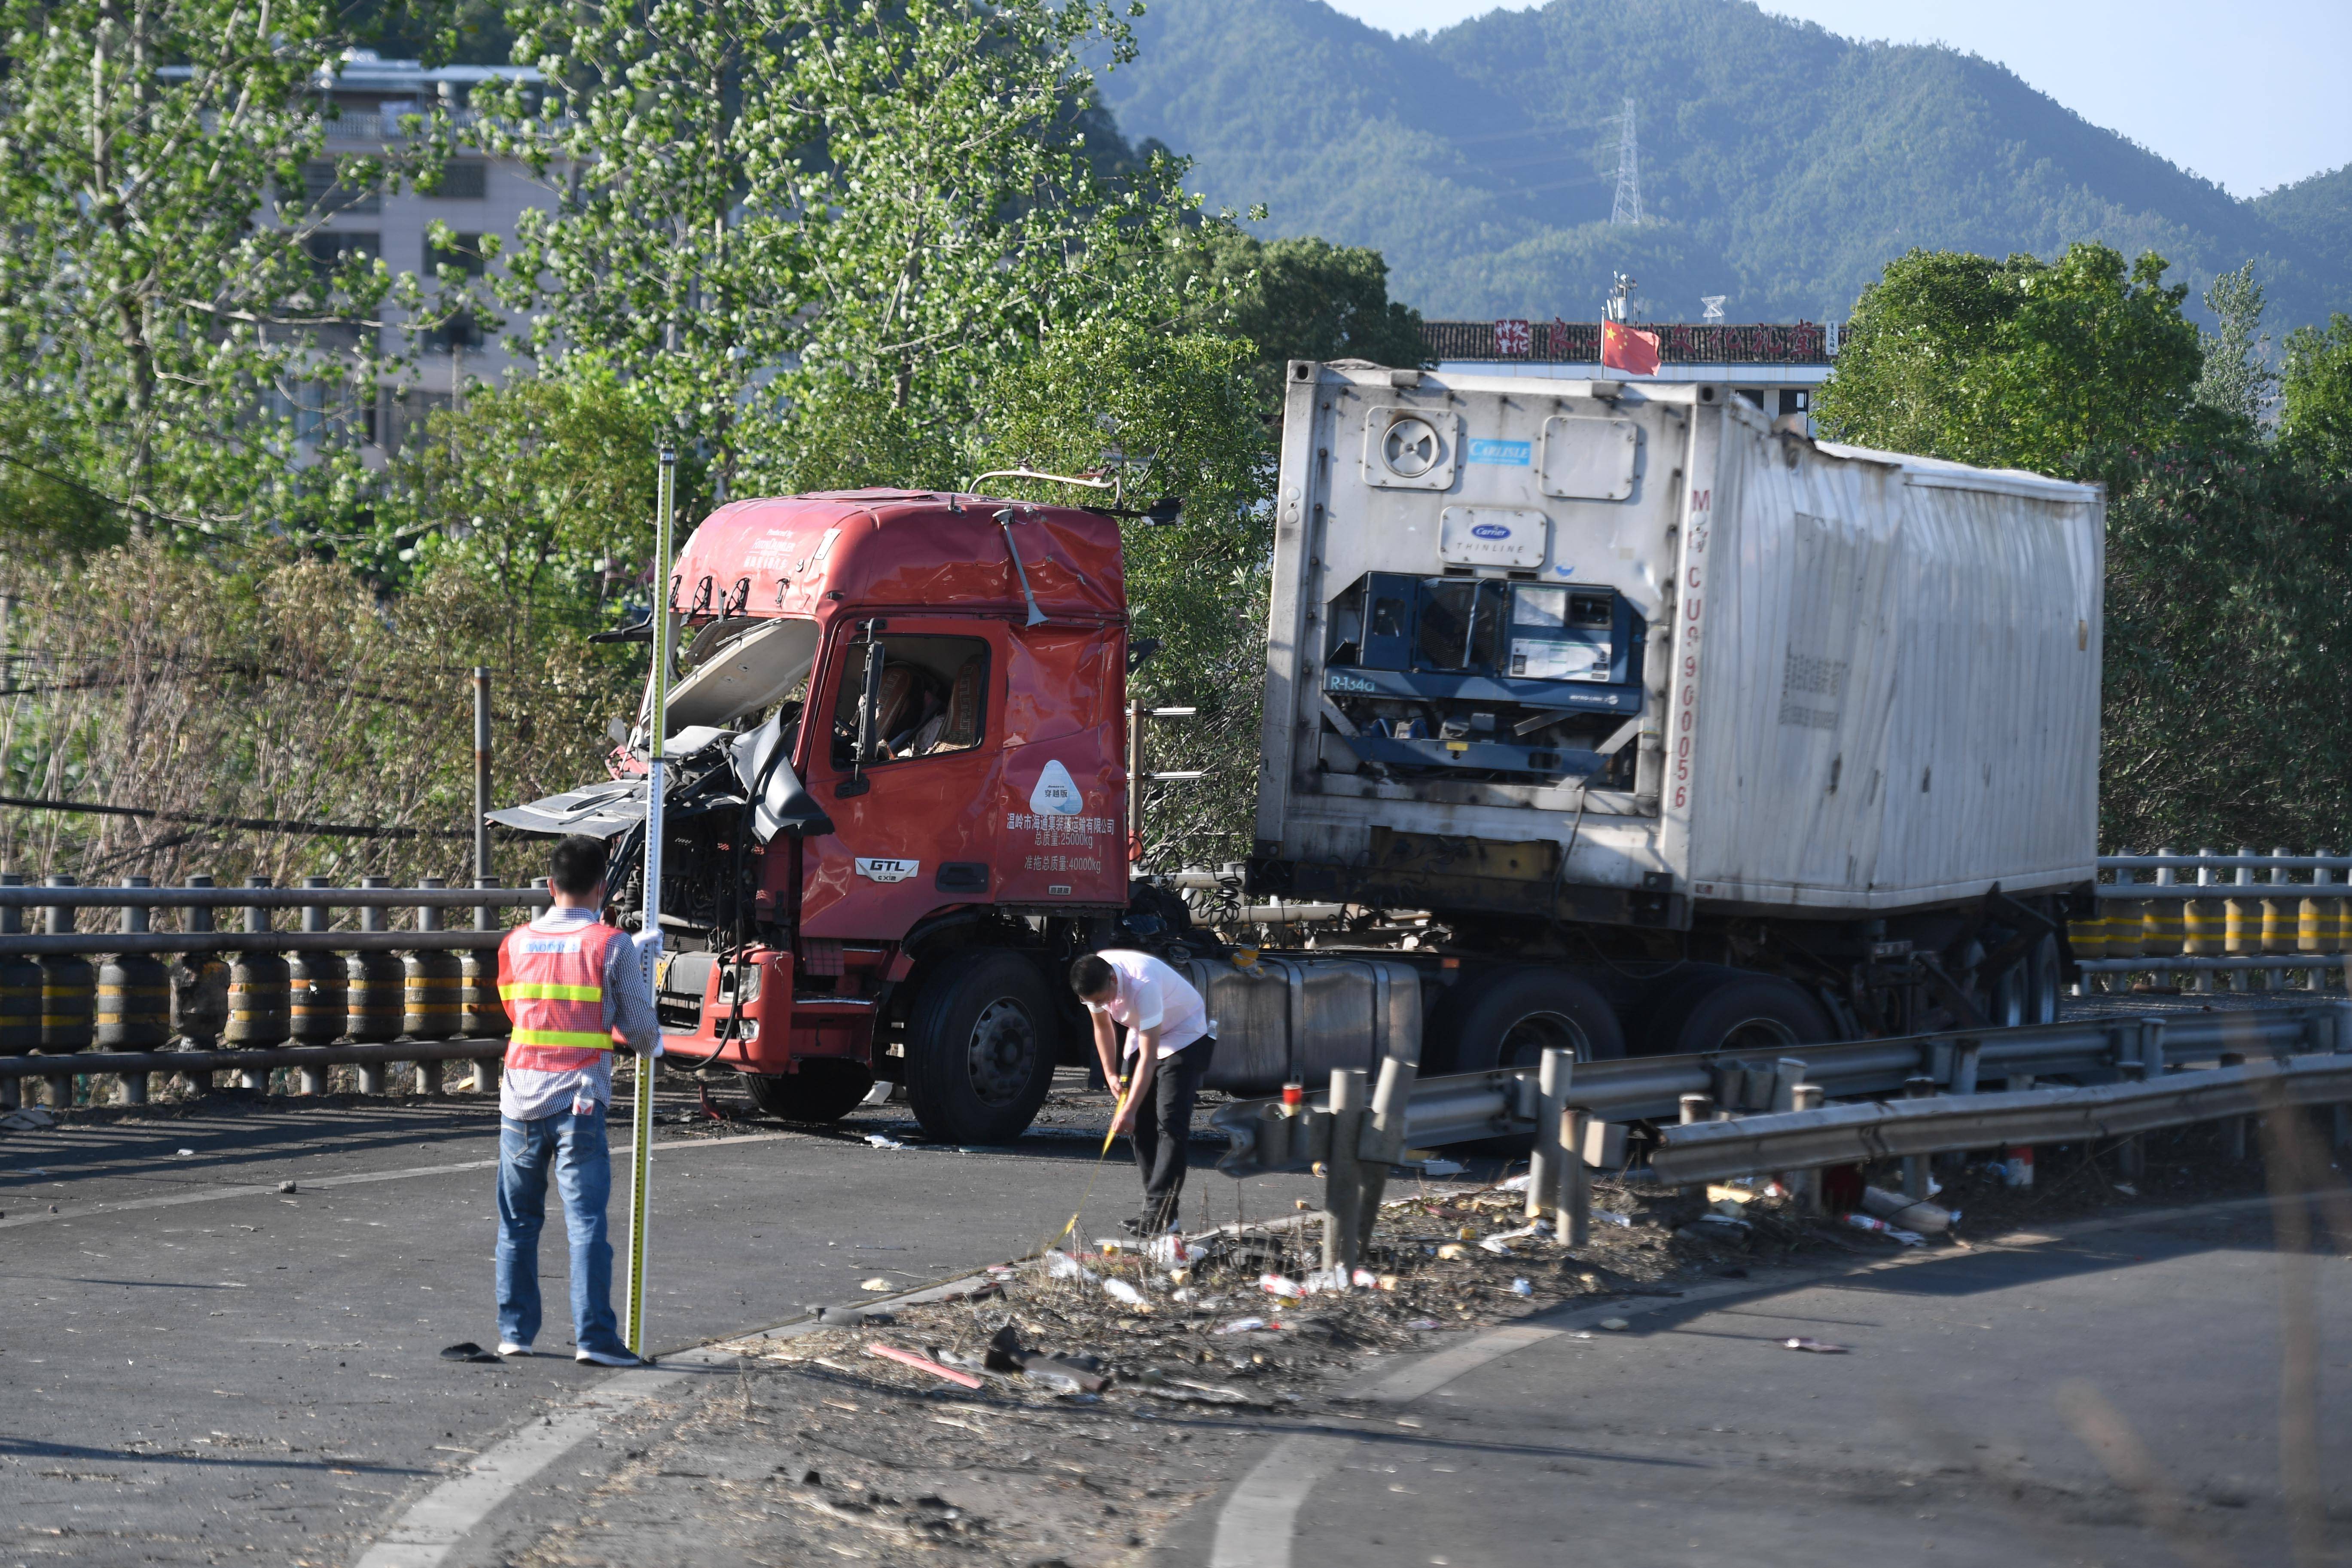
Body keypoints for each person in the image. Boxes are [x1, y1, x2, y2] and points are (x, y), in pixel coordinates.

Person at [492, 833, 660, 1366]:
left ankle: (515, 1332)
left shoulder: (515, 943)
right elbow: (643, 1035)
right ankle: (595, 1338)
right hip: (580, 1103)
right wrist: (640, 971)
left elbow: (517, 1011)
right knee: (586, 1223)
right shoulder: (611, 944)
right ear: (602, 888)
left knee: (518, 1224)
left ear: (550, 885)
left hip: (519, 1100)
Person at [1071, 950, 1216, 1235]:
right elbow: (1103, 1029)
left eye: (1103, 999)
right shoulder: (1093, 977)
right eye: (1094, 1003)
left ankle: (1156, 1213)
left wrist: (1128, 1109)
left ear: (1114, 979)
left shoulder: (1143, 984)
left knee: (1170, 1122)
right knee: (1140, 1127)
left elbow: (1150, 1060)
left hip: (1185, 1034)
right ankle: (1163, 1217)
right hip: (1145, 1031)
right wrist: (1110, 1073)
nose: (1102, 1006)